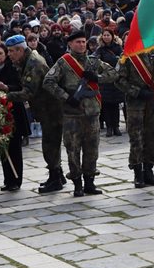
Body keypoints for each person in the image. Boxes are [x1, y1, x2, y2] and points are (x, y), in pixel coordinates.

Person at [43, 31, 117, 197]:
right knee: (73, 150)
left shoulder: (93, 61)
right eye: (78, 42)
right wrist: (65, 97)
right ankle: (77, 184)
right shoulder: (63, 63)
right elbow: (48, 81)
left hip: (91, 113)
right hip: (72, 114)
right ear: (70, 44)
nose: (82, 45)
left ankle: (90, 182)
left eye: (83, 42)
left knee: (92, 150)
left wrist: (97, 77)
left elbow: (113, 73)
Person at [4, 34, 64, 193]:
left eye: (11, 51)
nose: (9, 54)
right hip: (46, 108)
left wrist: (5, 96)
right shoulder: (28, 59)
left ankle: (55, 178)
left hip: (51, 110)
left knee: (49, 145)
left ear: (20, 50)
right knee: (52, 144)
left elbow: (28, 93)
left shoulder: (33, 64)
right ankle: (58, 174)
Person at [116, 50, 154, 188]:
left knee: (151, 136)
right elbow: (118, 80)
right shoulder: (127, 55)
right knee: (136, 138)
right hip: (136, 103)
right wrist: (137, 92)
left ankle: (149, 170)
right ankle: (137, 173)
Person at [0, 42, 27, 191]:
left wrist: (7, 88)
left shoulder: (13, 68)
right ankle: (7, 180)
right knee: (3, 147)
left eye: (0, 53)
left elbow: (21, 86)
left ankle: (16, 180)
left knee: (14, 147)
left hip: (13, 111)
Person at [95, 29, 124, 137]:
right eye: (104, 35)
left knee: (115, 104)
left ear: (112, 36)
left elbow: (123, 59)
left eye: (108, 35)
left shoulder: (117, 47)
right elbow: (95, 60)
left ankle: (116, 126)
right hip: (105, 81)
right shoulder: (100, 49)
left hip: (115, 80)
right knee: (106, 104)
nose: (106, 37)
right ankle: (109, 127)